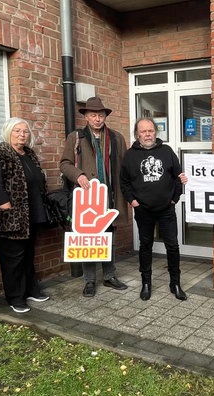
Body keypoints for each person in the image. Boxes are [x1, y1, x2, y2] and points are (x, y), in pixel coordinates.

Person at [0, 118, 51, 314]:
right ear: (8, 132)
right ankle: (15, 297)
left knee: (27, 255)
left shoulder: (29, 154)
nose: (22, 134)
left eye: (25, 131)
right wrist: (7, 207)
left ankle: (31, 290)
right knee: (13, 258)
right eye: (17, 131)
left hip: (30, 215)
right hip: (9, 218)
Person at [59, 96, 128, 297]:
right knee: (88, 239)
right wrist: (78, 174)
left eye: (100, 115)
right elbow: (64, 163)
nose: (97, 119)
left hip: (109, 196)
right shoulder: (76, 137)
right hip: (87, 199)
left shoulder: (116, 138)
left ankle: (109, 276)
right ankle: (89, 281)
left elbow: (124, 167)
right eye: (93, 115)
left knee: (107, 237)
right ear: (86, 117)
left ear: (105, 116)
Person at [120, 117, 188, 301]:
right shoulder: (130, 155)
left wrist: (174, 199)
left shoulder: (166, 151)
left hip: (166, 209)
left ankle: (175, 283)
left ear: (155, 132)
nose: (147, 134)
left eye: (150, 130)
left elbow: (178, 176)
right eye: (143, 131)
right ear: (137, 134)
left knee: (172, 246)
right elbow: (124, 182)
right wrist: (133, 202)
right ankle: (146, 283)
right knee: (145, 245)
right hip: (143, 210)